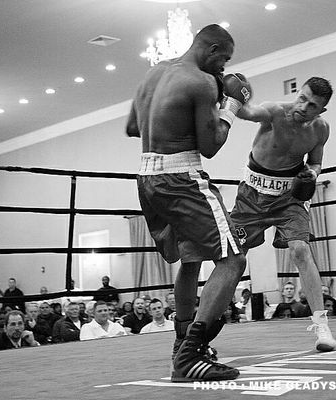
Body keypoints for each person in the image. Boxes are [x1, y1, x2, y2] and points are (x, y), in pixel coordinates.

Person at [126, 24, 248, 381]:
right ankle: (190, 355)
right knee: (233, 259)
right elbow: (211, 146)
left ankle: (182, 345)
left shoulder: (154, 73)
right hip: (181, 177)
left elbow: (133, 127)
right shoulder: (202, 82)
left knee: (192, 259)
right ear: (212, 50)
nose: (224, 68)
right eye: (224, 59)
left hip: (147, 178)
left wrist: (174, 119)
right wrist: (231, 105)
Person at [230, 76, 336, 352]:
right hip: (252, 192)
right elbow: (247, 112)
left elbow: (316, 162)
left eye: (312, 105)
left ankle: (321, 325)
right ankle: (206, 325)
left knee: (300, 249)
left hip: (289, 195)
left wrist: (312, 174)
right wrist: (231, 94)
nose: (303, 107)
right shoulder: (275, 111)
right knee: (232, 256)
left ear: (321, 110)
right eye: (302, 98)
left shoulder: (320, 129)